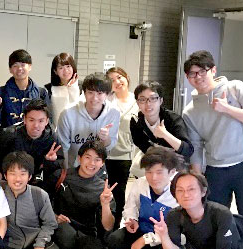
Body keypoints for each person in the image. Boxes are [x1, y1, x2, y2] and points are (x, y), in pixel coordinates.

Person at [181, 50, 243, 249]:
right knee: (215, 216)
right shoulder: (190, 111)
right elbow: (196, 145)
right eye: (192, 74)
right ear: (187, 77)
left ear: (213, 70)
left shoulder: (235, 88)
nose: (198, 77)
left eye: (202, 71)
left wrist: (227, 109)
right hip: (217, 167)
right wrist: (197, 176)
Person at [106, 147, 181, 249]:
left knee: (173, 246)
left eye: (159, 172)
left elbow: (176, 231)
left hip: (165, 238)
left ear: (172, 172)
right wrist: (132, 219)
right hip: (142, 229)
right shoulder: (140, 184)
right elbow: (130, 207)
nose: (153, 177)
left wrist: (145, 239)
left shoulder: (178, 192)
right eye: (149, 171)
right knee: (114, 240)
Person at [53, 141, 116, 249]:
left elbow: (108, 226)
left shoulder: (102, 188)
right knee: (66, 233)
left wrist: (105, 204)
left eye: (97, 159)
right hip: (61, 229)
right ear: (79, 158)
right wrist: (54, 217)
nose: (92, 163)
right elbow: (43, 202)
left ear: (102, 163)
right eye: (88, 157)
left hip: (87, 235)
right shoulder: (62, 176)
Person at [0, 152, 60, 249]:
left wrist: (40, 245)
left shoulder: (39, 195)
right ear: (5, 175)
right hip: (10, 243)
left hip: (33, 241)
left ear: (30, 176)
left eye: (23, 174)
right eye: (12, 173)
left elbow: (50, 223)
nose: (17, 179)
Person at [0, 99, 64, 196]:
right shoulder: (10, 135)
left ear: (46, 121)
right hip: (10, 181)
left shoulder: (52, 139)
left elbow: (58, 167)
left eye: (41, 121)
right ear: (24, 120)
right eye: (31, 120)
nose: (36, 125)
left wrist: (50, 162)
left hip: (38, 183)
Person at [56, 72, 120, 168]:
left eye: (99, 93)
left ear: (107, 94)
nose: (94, 98)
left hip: (97, 168)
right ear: (84, 93)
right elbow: (62, 147)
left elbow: (109, 145)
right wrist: (65, 171)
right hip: (72, 167)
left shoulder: (114, 113)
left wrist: (105, 138)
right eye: (90, 92)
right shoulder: (68, 113)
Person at [130, 81, 193, 166]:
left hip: (177, 165)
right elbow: (141, 143)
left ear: (160, 100)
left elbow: (188, 150)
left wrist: (165, 134)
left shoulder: (173, 119)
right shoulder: (136, 120)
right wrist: (162, 154)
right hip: (156, 161)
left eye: (153, 98)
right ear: (137, 103)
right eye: (142, 99)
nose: (148, 103)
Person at [106, 67, 139, 225]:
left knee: (121, 194)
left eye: (119, 77)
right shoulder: (107, 101)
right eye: (112, 80)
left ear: (126, 78)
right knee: (107, 193)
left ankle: (115, 228)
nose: (117, 82)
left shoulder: (137, 100)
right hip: (107, 154)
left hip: (127, 154)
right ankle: (105, 228)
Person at [0, 49, 49, 129]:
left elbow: (48, 122)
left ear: (30, 67)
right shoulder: (2, 92)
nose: (19, 68)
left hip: (32, 136)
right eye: (15, 66)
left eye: (23, 65)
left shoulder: (41, 93)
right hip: (8, 136)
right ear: (10, 69)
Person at [45, 53, 81, 126]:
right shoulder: (48, 89)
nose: (66, 71)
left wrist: (72, 88)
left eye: (68, 66)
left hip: (78, 130)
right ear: (55, 71)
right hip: (57, 130)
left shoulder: (82, 87)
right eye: (61, 68)